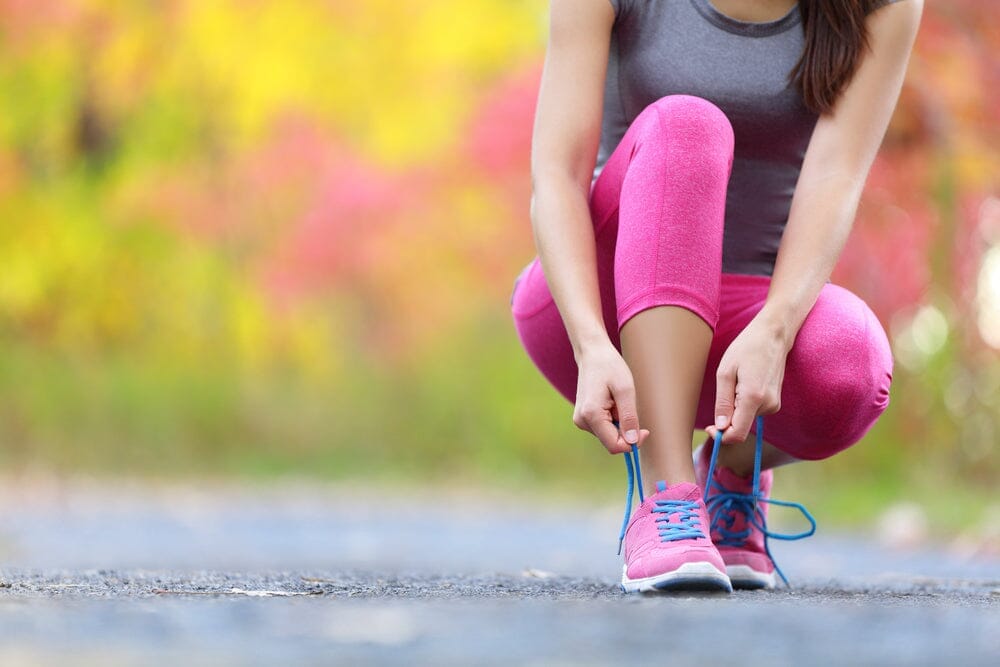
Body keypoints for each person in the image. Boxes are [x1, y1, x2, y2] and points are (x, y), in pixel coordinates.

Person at [509, 0, 923, 593]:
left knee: (851, 361)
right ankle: (667, 499)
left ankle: (728, 473)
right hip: (599, 306)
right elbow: (557, 174)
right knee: (687, 123)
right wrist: (590, 344)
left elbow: (837, 175)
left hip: (748, 321)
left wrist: (777, 329)